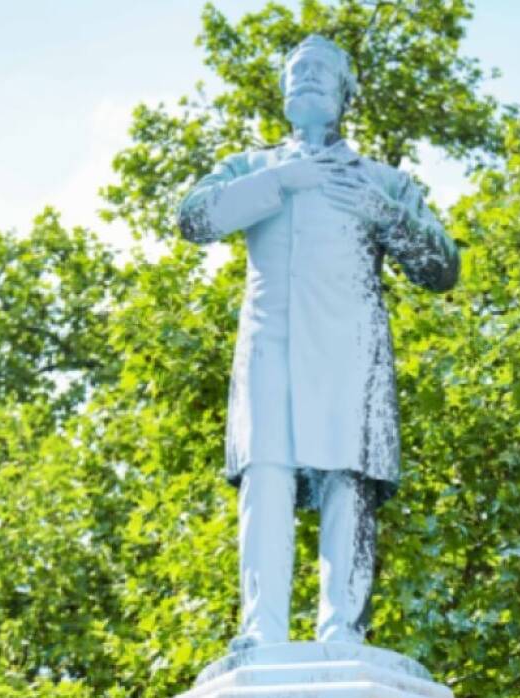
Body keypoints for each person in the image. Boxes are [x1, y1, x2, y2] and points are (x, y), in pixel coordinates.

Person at [176, 33, 459, 651]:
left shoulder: (382, 180)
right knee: (266, 475)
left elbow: (442, 268)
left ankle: (341, 633)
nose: (305, 78)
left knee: (347, 477)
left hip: (350, 344)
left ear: (345, 94)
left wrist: (387, 214)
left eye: (320, 72)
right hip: (270, 339)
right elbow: (193, 218)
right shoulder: (254, 167)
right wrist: (284, 179)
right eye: (295, 70)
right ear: (281, 91)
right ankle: (261, 633)